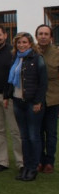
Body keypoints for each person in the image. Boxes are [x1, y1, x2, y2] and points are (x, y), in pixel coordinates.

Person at [7, 32, 48, 181]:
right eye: (19, 43)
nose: (21, 45)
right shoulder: (16, 59)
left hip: (32, 103)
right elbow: (10, 81)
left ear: (30, 44)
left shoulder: (37, 59)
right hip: (18, 102)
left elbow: (43, 83)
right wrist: (7, 96)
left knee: (33, 136)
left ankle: (33, 168)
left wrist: (38, 102)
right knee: (24, 137)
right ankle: (26, 166)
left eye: (24, 42)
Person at [0, 25, 23, 172]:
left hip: (10, 97)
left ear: (5, 36)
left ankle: (21, 162)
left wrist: (8, 94)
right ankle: (2, 161)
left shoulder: (13, 52)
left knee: (15, 130)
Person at [35, 24, 59, 173]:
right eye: (40, 34)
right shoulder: (31, 52)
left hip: (53, 98)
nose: (43, 36)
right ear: (36, 36)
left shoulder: (57, 53)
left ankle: (49, 161)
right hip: (36, 98)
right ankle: (38, 160)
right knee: (37, 132)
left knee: (51, 132)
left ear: (51, 37)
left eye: (46, 34)